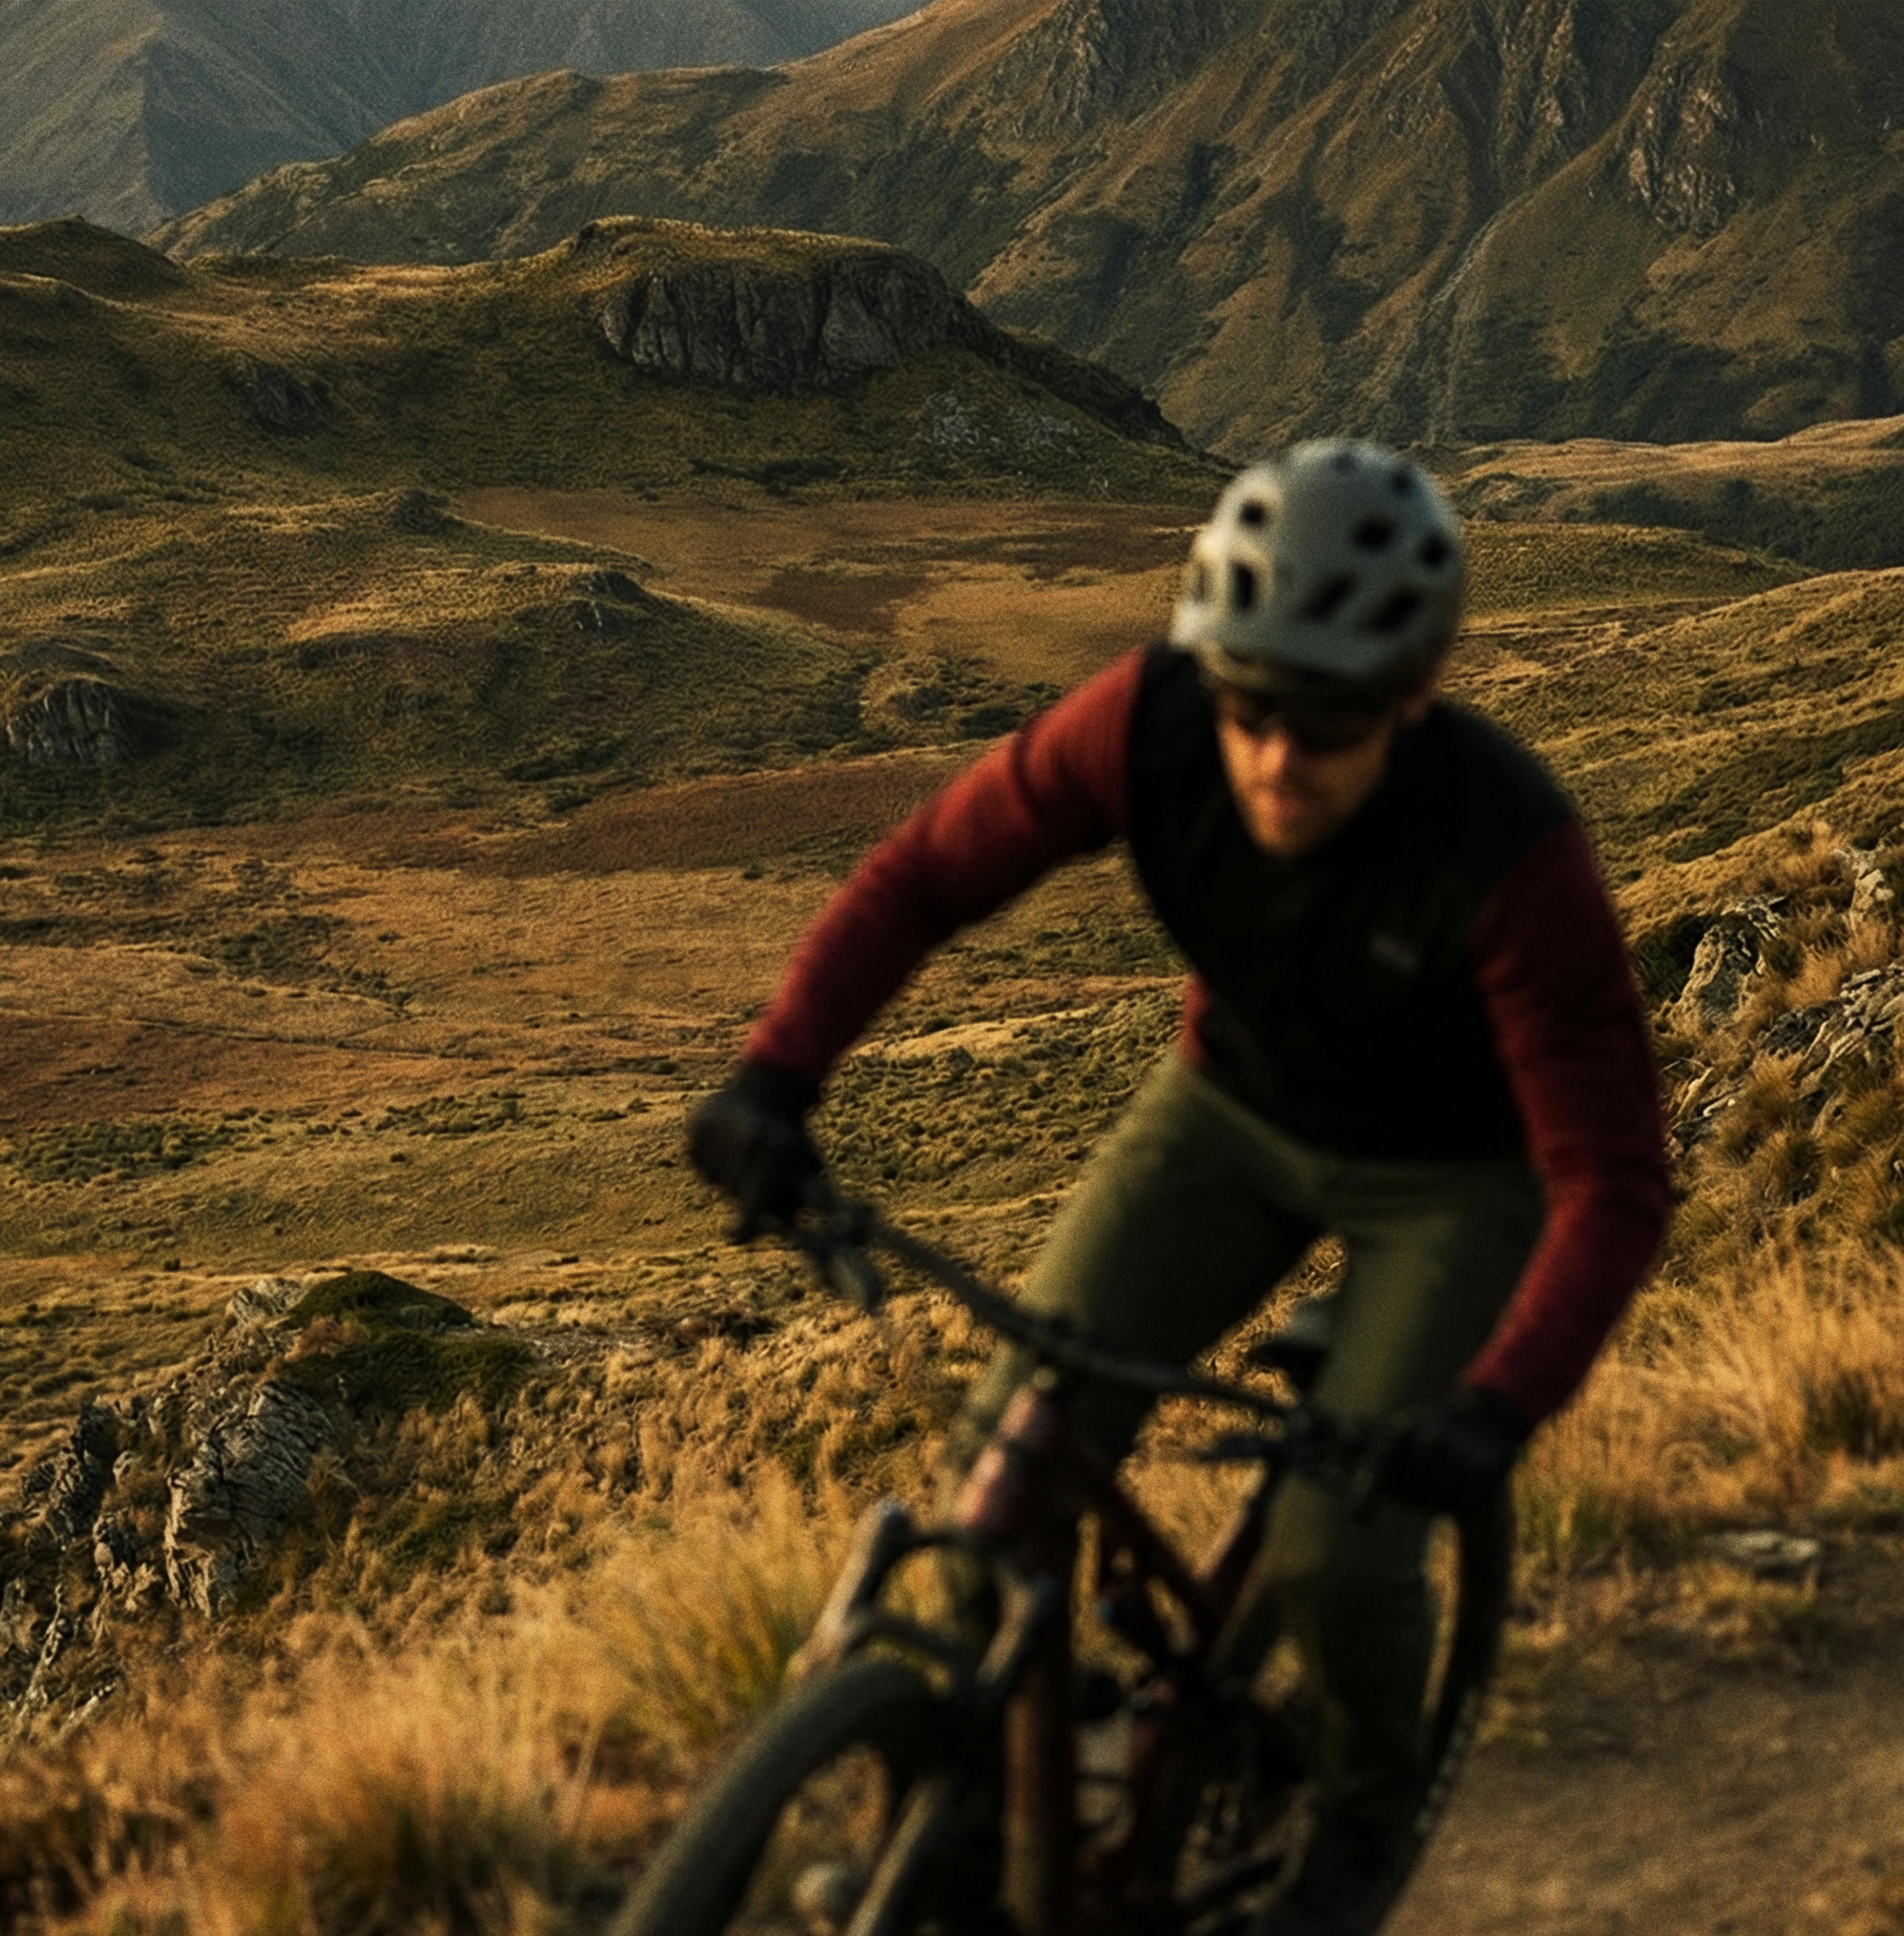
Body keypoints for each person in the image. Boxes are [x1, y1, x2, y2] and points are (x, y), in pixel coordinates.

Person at [688, 440, 1671, 1935]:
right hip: (1229, 1112)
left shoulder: (1503, 848)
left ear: (1410, 700)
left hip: (1452, 1178)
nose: (1276, 759)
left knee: (1338, 1548)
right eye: (1250, 709)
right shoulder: (1144, 723)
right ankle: (972, 1821)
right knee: (1007, 1471)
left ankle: (1359, 1824)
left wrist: (1498, 1409)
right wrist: (777, 1076)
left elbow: (1613, 1178)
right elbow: (927, 875)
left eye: (1327, 726)